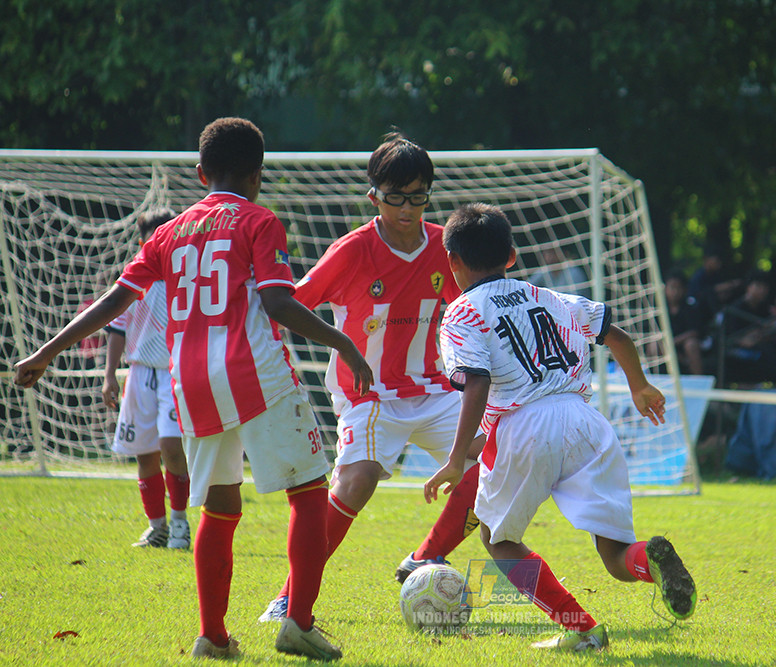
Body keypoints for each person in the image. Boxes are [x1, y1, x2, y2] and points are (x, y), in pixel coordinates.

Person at [15, 117, 374, 661]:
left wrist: (46, 352)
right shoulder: (258, 221)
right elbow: (277, 303)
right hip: (256, 373)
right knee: (307, 494)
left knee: (219, 507)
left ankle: (212, 635)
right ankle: (298, 623)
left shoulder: (166, 232)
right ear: (257, 175)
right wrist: (343, 344)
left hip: (191, 382)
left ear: (201, 173)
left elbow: (117, 300)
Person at [424, 203, 697, 652]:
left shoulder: (461, 313)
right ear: (511, 255)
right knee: (614, 554)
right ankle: (647, 558)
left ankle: (582, 628)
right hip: (585, 421)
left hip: (525, 426)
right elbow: (616, 334)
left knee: (498, 540)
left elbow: (478, 382)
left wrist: (456, 460)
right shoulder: (549, 297)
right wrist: (640, 385)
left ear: (451, 260)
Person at [258, 131, 486, 623]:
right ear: (374, 197)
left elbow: (477, 304)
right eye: (395, 197)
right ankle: (288, 597)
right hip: (369, 395)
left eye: (418, 195)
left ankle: (426, 556)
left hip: (433, 388)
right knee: (357, 481)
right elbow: (291, 304)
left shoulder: (444, 247)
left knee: (500, 462)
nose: (408, 207)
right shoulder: (352, 250)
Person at [102, 209, 190, 549]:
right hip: (139, 373)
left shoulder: (185, 277)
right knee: (144, 453)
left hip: (174, 372)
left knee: (171, 446)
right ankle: (158, 527)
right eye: (151, 239)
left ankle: (180, 522)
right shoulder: (133, 279)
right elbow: (117, 328)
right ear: (142, 242)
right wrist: (110, 375)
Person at [663, 269, 704, 374]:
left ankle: (698, 379)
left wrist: (674, 342)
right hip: (664, 344)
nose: (675, 292)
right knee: (653, 346)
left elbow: (694, 331)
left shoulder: (690, 307)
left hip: (682, 345)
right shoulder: (660, 309)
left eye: (678, 288)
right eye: (672, 287)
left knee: (691, 345)